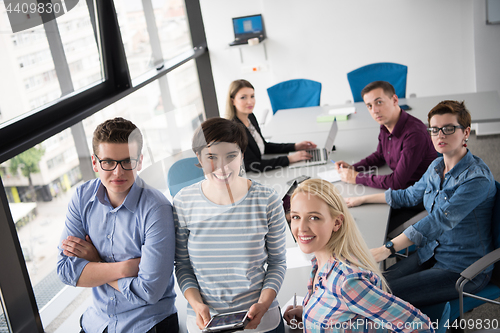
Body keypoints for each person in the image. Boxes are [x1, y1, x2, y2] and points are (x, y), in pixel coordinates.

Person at [346, 100, 497, 307]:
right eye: (434, 130)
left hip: (461, 268)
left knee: (376, 298)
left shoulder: (476, 179)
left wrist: (387, 249)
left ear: (466, 133)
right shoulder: (437, 166)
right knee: (368, 284)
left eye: (448, 128)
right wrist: (361, 199)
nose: (440, 135)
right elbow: (408, 195)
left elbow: (438, 221)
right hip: (430, 252)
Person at [57, 118, 178, 333]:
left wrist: (95, 262)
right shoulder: (81, 198)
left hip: (147, 323)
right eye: (108, 162)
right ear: (95, 163)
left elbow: (149, 291)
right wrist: (124, 268)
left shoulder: (157, 209)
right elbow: (66, 270)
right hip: (97, 322)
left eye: (127, 161)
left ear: (139, 161)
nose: (118, 172)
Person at [174, 117, 287, 333]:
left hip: (261, 319)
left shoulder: (267, 199)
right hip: (205, 322)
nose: (222, 166)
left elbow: (278, 262)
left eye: (231, 156)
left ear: (242, 155)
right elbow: (183, 265)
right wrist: (197, 305)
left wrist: (263, 305)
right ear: (199, 157)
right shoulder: (183, 202)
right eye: (211, 157)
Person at [283, 179, 433, 332]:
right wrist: (309, 313)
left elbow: (420, 326)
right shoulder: (319, 263)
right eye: (295, 217)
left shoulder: (346, 282)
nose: (301, 228)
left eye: (314, 217)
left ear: (336, 223)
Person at [335, 81, 436, 190]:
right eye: (369, 106)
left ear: (395, 100)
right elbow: (380, 155)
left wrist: (356, 178)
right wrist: (353, 168)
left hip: (419, 193)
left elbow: (396, 182)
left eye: (379, 102)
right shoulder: (386, 124)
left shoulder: (414, 135)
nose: (374, 111)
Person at [226, 79, 317, 172]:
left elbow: (264, 146)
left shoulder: (250, 117)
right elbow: (254, 165)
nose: (250, 102)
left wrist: (295, 146)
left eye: (252, 96)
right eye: (243, 97)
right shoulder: (234, 130)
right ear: (232, 101)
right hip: (251, 176)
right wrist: (289, 159)